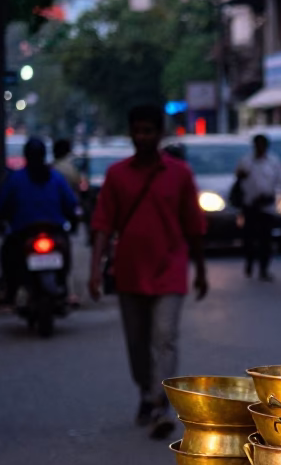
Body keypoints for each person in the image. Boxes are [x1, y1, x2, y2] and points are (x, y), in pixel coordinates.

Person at [88, 105, 208, 438]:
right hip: (129, 270)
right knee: (137, 343)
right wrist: (95, 271)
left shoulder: (180, 174)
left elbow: (194, 226)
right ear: (131, 133)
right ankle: (145, 390)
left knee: (165, 337)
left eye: (148, 131)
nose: (142, 137)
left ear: (159, 133)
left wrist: (200, 270)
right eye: (137, 131)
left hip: (170, 269)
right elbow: (102, 226)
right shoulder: (116, 175)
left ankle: (160, 404)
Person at [0, 137, 80, 301]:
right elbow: (71, 203)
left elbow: (1, 206)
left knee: (7, 254)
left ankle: (9, 291)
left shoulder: (16, 179)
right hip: (50, 230)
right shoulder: (55, 178)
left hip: (24, 232)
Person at [235, 134, 281, 280]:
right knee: (249, 237)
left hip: (267, 206)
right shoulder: (246, 162)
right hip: (250, 205)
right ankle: (249, 262)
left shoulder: (273, 162)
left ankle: (263, 268)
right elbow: (239, 180)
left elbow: (279, 183)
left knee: (266, 239)